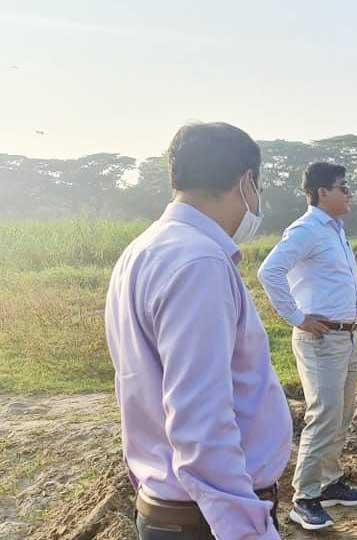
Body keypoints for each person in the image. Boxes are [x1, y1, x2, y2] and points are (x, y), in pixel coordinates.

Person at [104, 122, 292, 540]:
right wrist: (250, 532)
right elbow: (201, 421)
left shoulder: (142, 251)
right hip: (206, 521)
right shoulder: (199, 263)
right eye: (258, 190)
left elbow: (137, 390)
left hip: (171, 507)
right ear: (247, 182)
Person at [257, 162, 357, 531]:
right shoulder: (306, 230)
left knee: (343, 412)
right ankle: (304, 498)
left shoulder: (336, 230)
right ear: (323, 192)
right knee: (323, 415)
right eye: (343, 187)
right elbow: (269, 271)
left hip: (346, 336)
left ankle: (330, 481)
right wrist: (297, 317)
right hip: (321, 338)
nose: (348, 193)